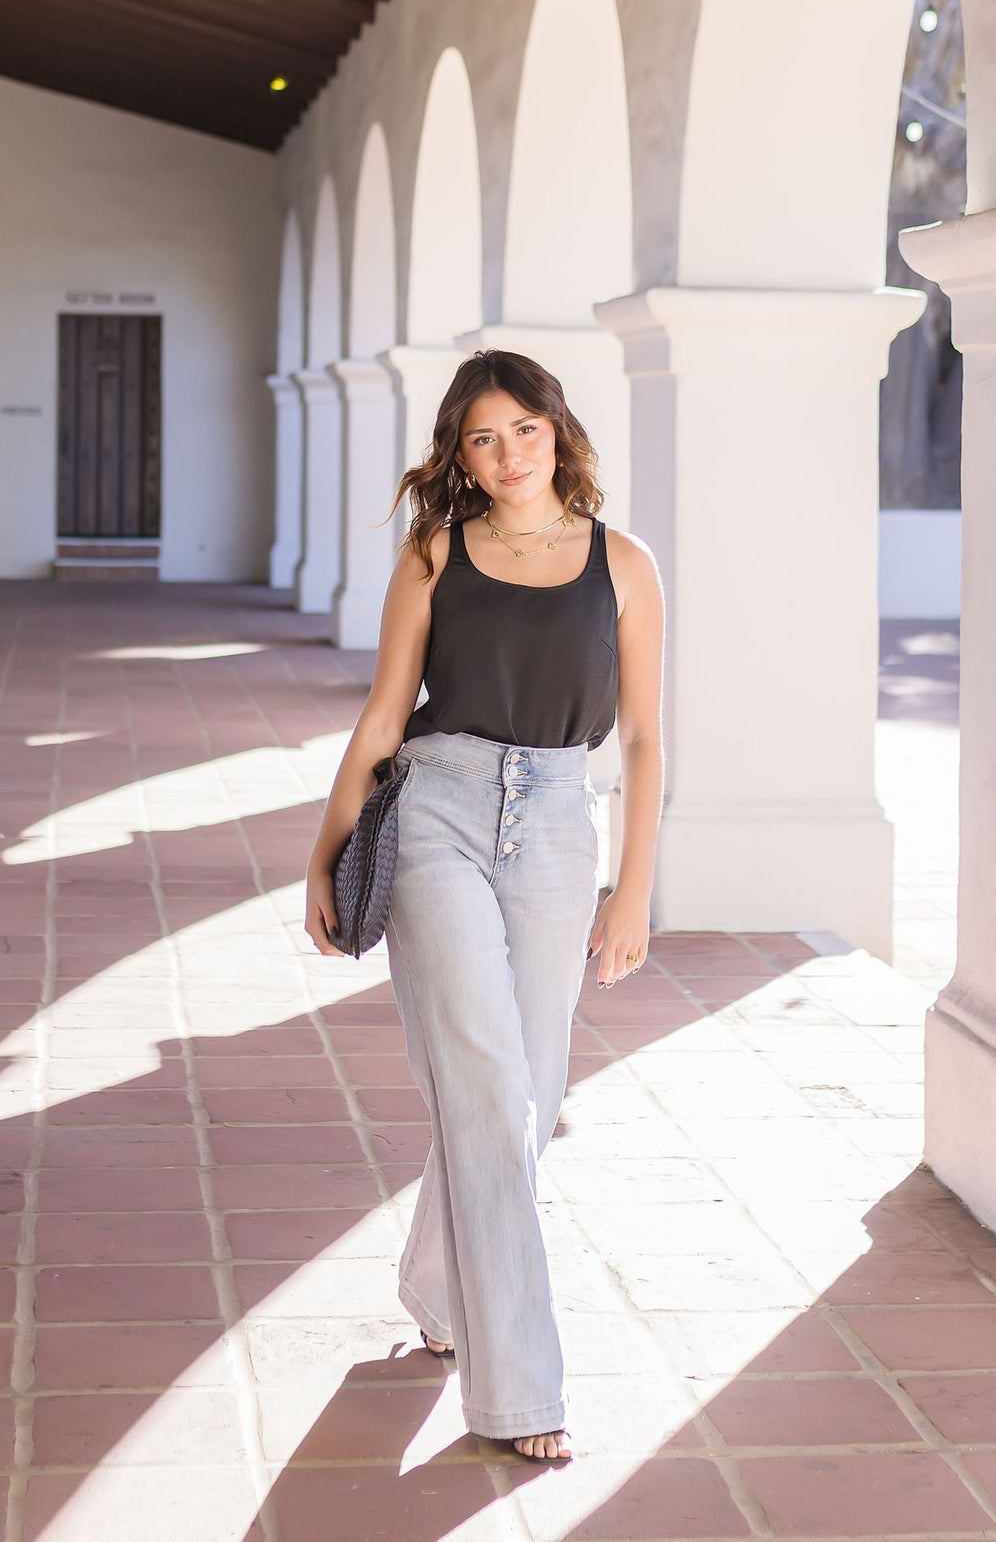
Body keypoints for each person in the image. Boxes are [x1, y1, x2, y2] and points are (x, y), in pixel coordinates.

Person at [305, 349, 665, 1464]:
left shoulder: (625, 562)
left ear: (557, 429)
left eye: (523, 428)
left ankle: (433, 1276)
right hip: (439, 813)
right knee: (480, 1077)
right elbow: (381, 715)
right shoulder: (434, 552)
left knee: (526, 1092)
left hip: (559, 824)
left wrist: (633, 890)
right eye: (480, 437)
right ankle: (519, 1388)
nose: (506, 454)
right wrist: (323, 855)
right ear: (457, 453)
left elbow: (646, 739)